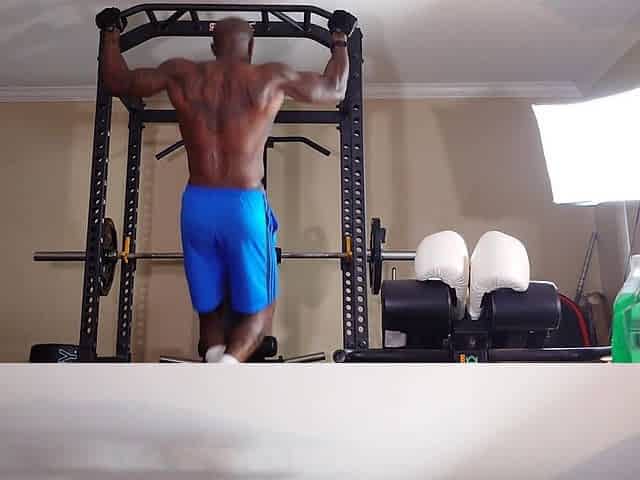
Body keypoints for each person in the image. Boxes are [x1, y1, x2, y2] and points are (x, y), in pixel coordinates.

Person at [95, 8, 357, 363]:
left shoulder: (180, 73)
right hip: (242, 205)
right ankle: (227, 371)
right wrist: (339, 37)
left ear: (213, 46)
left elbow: (117, 81)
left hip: (197, 205)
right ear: (251, 48)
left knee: (210, 309)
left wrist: (111, 33)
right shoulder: (270, 77)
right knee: (259, 315)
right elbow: (335, 88)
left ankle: (215, 363)